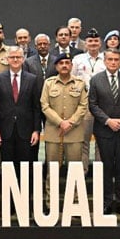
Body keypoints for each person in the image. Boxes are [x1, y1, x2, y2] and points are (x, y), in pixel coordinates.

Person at [89, 48, 120, 217]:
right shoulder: (96, 80)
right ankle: (107, 201)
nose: (113, 62)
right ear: (105, 61)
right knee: (107, 167)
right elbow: (93, 105)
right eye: (110, 59)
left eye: (116, 59)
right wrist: (108, 120)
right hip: (104, 130)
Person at [40, 52, 87, 203]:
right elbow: (44, 105)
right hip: (54, 133)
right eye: (61, 63)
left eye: (67, 63)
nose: (65, 65)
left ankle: (75, 202)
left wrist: (70, 122)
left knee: (75, 170)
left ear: (72, 66)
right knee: (52, 170)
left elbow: (83, 106)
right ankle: (50, 201)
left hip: (74, 133)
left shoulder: (80, 84)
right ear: (56, 66)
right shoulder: (49, 83)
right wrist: (60, 122)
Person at [0, 47, 42, 174]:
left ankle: (25, 192)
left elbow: (36, 107)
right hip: (5, 130)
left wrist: (36, 130)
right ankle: (8, 193)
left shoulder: (32, 79)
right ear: (7, 59)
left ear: (23, 59)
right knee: (7, 165)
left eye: (18, 57)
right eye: (12, 57)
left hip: (26, 130)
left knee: (25, 165)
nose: (15, 59)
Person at [71, 28, 106, 173]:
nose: (93, 43)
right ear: (85, 43)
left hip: (103, 104)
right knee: (83, 141)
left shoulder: (107, 58)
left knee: (101, 141)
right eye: (90, 41)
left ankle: (99, 174)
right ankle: (82, 173)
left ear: (100, 43)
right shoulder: (78, 59)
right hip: (84, 104)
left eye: (95, 41)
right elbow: (72, 80)